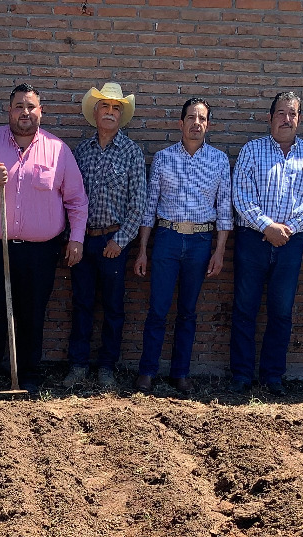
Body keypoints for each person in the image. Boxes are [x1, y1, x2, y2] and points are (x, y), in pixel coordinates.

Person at [0, 83, 88, 396]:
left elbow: (76, 200)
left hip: (39, 253)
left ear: (41, 111)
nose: (25, 112)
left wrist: (77, 238)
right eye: (19, 106)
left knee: (32, 314)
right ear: (9, 110)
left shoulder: (57, 150)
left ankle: (28, 377)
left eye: (31, 107)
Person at [229, 91, 303, 395]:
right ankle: (241, 376)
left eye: (292, 113)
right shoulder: (252, 150)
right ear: (270, 118)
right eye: (281, 113)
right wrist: (267, 226)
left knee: (281, 311)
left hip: (291, 243)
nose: (287, 119)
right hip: (252, 240)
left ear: (299, 118)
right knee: (244, 309)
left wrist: (288, 229)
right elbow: (241, 196)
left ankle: (273, 376)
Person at [133, 97, 231, 394]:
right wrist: (142, 250)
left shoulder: (219, 160)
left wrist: (219, 251)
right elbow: (149, 207)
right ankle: (147, 371)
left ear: (208, 125)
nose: (196, 123)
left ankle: (180, 373)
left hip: (201, 241)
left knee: (188, 311)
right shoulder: (163, 158)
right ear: (181, 123)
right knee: (158, 308)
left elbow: (224, 210)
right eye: (191, 117)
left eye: (202, 119)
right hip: (168, 238)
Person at [65, 82, 146, 392]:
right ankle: (78, 366)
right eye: (105, 107)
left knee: (113, 308)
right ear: (95, 112)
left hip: (113, 242)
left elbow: (138, 203)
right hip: (83, 241)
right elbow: (70, 198)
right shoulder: (81, 152)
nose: (110, 112)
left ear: (121, 115)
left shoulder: (131, 152)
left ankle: (107, 368)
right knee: (82, 304)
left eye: (116, 108)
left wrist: (120, 241)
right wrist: (73, 238)